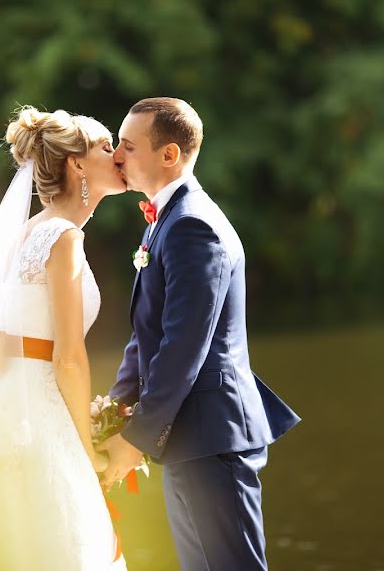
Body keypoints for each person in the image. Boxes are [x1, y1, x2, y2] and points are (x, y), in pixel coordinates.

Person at [97, 97, 301, 571]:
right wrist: (115, 410)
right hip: (188, 436)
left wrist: (134, 440)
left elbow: (185, 346)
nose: (117, 157)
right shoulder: (166, 221)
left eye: (128, 145)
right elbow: (147, 336)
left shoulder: (192, 225)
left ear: (169, 155)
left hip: (213, 434)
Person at [0, 106, 128, 569]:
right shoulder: (63, 239)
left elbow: (3, 344)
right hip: (41, 417)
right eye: (105, 146)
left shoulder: (27, 235)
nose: (116, 155)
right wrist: (88, 448)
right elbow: (69, 360)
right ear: (77, 164)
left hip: (9, 408)